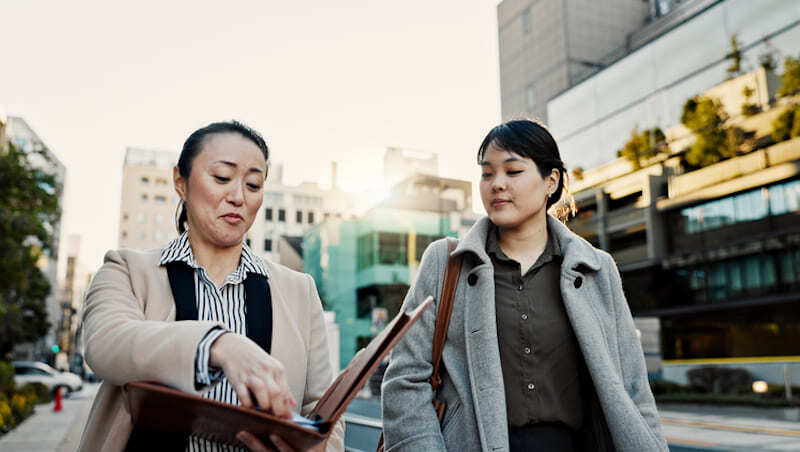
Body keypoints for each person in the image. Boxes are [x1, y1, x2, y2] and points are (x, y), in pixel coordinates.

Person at [381, 119, 668, 451]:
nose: (497, 184)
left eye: (513, 171)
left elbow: (633, 387)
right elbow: (405, 379)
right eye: (487, 173)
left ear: (551, 181)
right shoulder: (446, 263)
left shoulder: (597, 269)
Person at [78, 121, 344, 452]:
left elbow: (324, 414)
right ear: (181, 182)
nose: (238, 197)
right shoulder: (127, 270)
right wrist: (219, 344)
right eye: (222, 178)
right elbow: (106, 344)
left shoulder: (299, 291)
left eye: (253, 184)